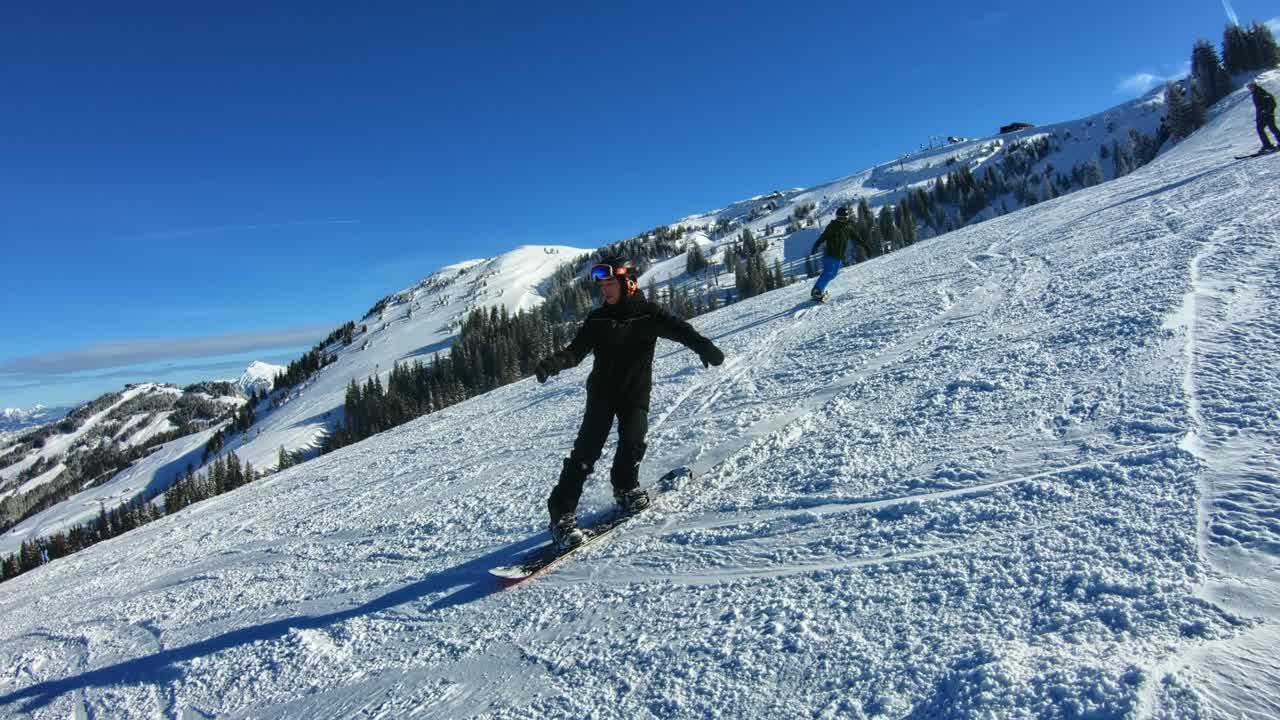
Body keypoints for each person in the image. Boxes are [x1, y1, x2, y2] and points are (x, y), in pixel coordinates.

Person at [534, 255, 725, 549]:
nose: (604, 290)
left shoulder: (648, 314)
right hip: (602, 395)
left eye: (610, 284)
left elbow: (681, 330)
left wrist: (705, 347)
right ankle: (561, 516)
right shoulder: (598, 319)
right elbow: (575, 352)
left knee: (633, 441)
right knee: (585, 455)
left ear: (628, 284)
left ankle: (625, 489)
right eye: (602, 285)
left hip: (635, 392)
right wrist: (552, 363)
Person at [809, 206, 866, 301]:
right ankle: (816, 291)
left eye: (844, 218)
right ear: (837, 217)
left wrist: (865, 245)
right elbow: (824, 236)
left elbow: (856, 237)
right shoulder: (832, 226)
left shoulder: (848, 228)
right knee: (828, 272)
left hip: (838, 256)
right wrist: (816, 244)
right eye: (840, 218)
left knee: (833, 274)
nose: (842, 220)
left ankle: (820, 290)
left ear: (847, 217)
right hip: (830, 253)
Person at [1248, 81, 1279, 153]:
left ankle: (1267, 145)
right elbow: (1259, 107)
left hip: (1266, 115)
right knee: (1270, 128)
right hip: (1264, 115)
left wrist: (1266, 112)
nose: (1250, 88)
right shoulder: (1258, 93)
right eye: (1249, 87)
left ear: (1255, 86)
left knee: (1263, 129)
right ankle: (1268, 145)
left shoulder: (1260, 93)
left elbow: (1271, 103)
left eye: (1251, 86)